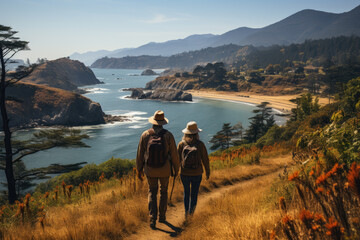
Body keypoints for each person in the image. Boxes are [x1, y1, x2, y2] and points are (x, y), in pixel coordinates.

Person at [136, 110, 180, 229]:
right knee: (164, 191)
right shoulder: (168, 135)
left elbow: (140, 154)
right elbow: (174, 155)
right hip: (165, 169)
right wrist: (176, 169)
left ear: (153, 122)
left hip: (150, 169)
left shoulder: (145, 134)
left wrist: (139, 170)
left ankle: (152, 218)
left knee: (152, 192)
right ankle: (162, 216)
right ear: (162, 123)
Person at [177, 121, 210, 218]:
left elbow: (177, 159)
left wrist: (175, 171)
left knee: (186, 193)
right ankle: (191, 214)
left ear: (185, 133)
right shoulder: (200, 144)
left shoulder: (181, 144)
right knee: (194, 194)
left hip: (184, 173)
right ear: (197, 133)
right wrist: (207, 171)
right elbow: (205, 159)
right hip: (197, 173)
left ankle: (186, 213)